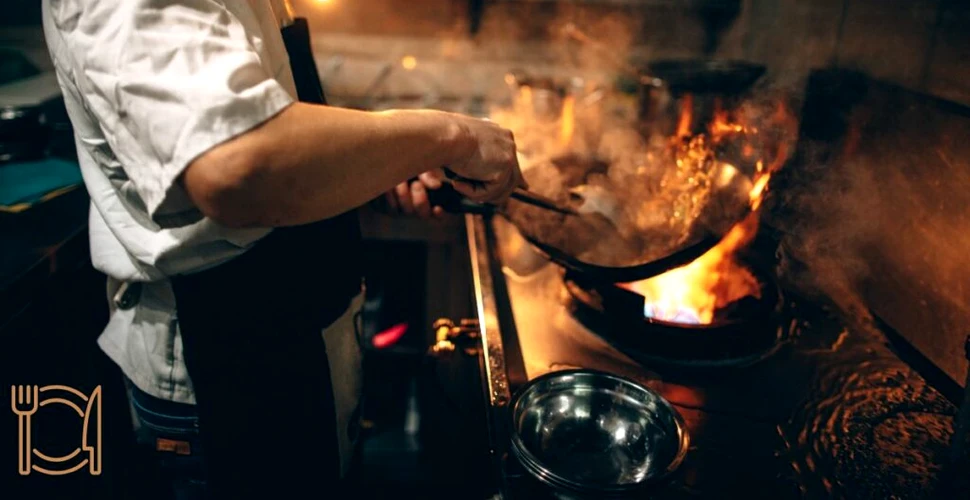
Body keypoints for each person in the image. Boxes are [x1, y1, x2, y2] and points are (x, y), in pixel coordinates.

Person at [41, 0, 523, 498]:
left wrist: (375, 164)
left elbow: (265, 123)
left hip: (295, 339)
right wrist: (449, 137)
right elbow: (236, 164)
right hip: (224, 368)